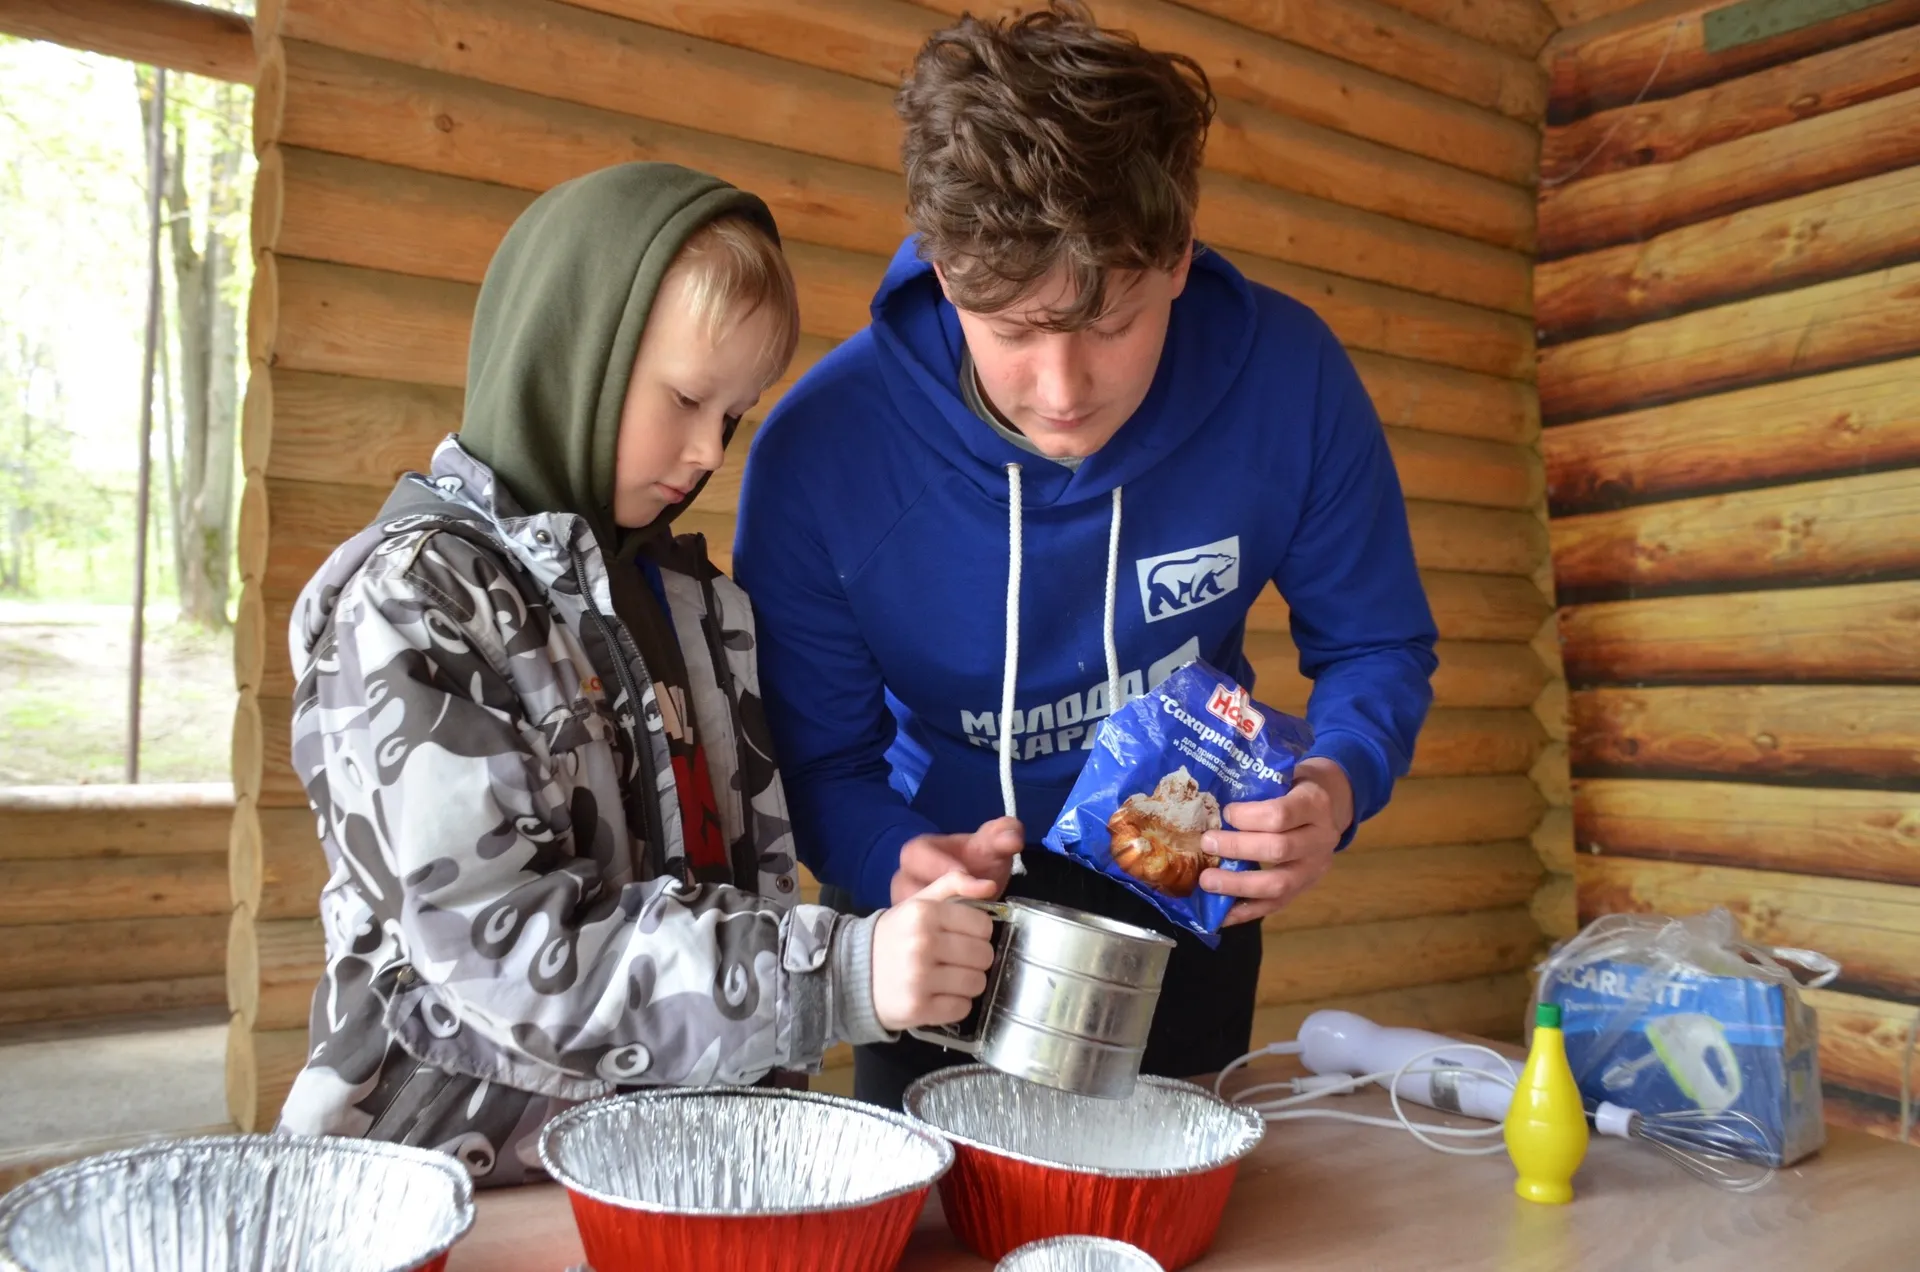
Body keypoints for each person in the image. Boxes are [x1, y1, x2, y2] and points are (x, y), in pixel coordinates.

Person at [734, 3, 1439, 1112]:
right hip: (942, 909)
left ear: (1178, 259)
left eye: (1110, 324)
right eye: (1012, 329)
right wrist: (891, 861)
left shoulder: (1289, 379)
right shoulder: (821, 454)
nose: (1063, 393)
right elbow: (820, 764)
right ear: (946, 272)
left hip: (1184, 892)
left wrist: (1337, 782)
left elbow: (1377, 642)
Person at [273, 163, 998, 1185]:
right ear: (574, 350)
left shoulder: (689, 603)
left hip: (670, 1177)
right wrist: (835, 975)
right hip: (453, 1188)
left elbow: (731, 880)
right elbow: (503, 947)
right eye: (688, 398)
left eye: (736, 415)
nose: (707, 452)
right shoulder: (415, 600)